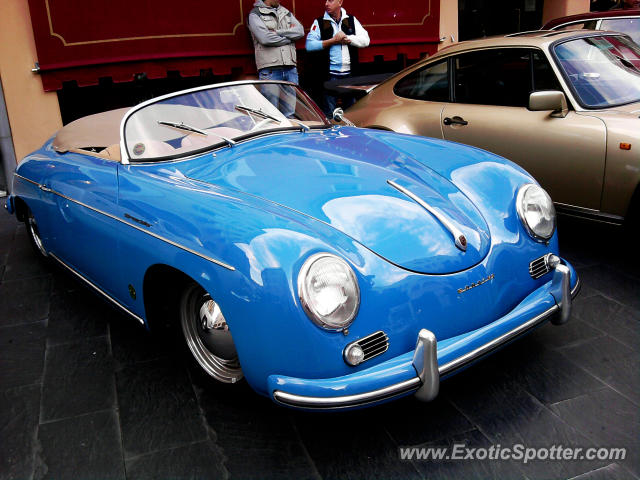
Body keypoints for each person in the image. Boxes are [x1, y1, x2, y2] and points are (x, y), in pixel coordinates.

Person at [305, 0, 370, 115]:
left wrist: (348, 39)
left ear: (340, 2)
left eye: (330, 0)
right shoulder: (319, 22)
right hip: (329, 76)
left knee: (351, 113)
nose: (326, 4)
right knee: (329, 114)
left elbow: (366, 40)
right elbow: (309, 45)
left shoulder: (351, 20)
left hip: (349, 76)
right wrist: (333, 41)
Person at [247, 0, 304, 116]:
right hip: (270, 70)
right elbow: (265, 38)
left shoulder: (286, 12)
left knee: (290, 113)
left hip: (290, 68)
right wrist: (289, 38)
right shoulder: (255, 14)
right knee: (271, 114)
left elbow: (300, 31)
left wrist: (277, 32)